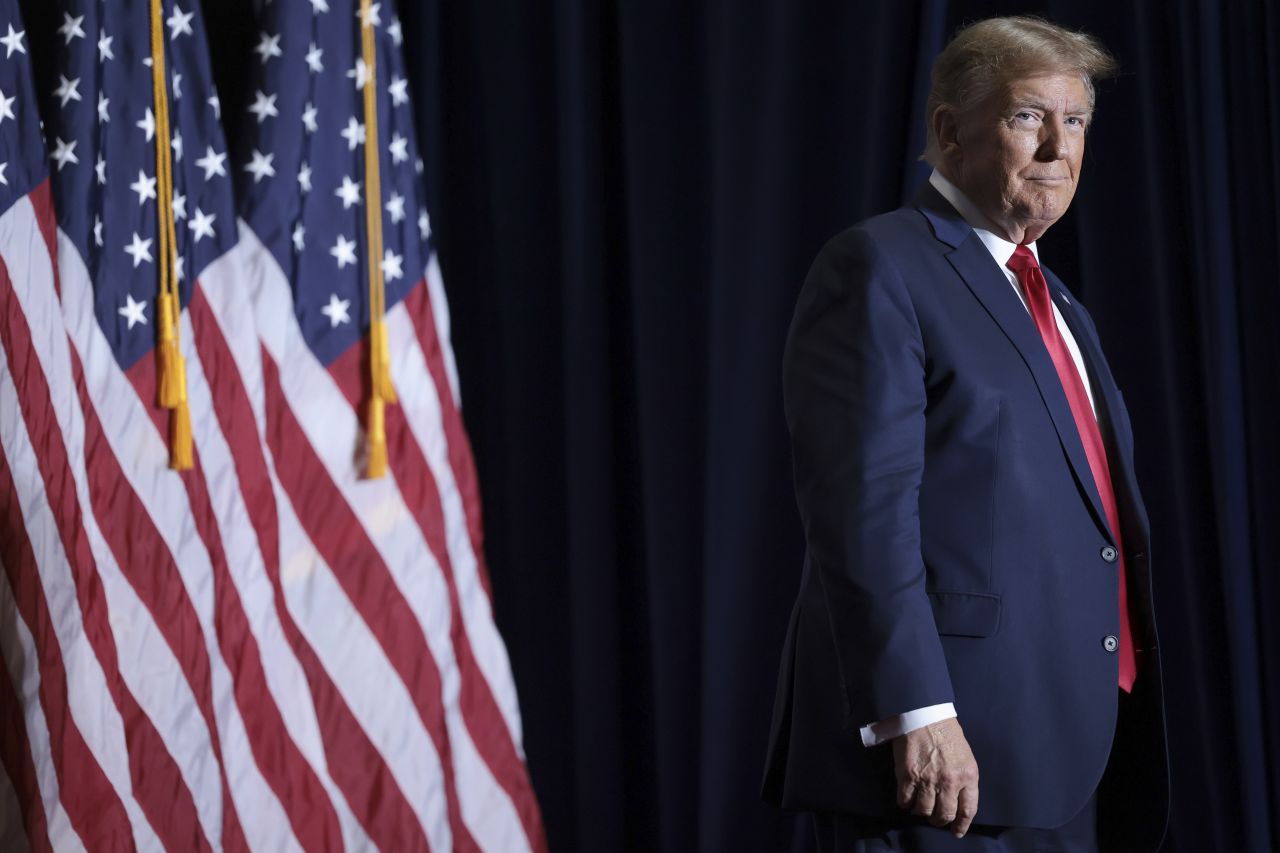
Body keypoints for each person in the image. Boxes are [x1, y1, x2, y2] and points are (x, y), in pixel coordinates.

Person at [762, 16, 1169, 853]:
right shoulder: (880, 267)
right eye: (1029, 117)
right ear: (949, 129)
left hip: (1066, 751)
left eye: (1077, 121)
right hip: (945, 763)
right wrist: (914, 709)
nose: (1059, 147)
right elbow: (861, 511)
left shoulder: (1063, 309)